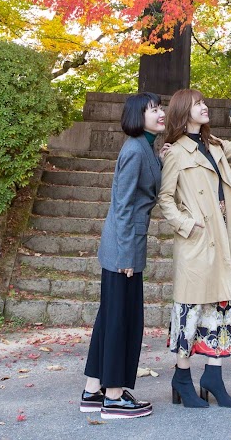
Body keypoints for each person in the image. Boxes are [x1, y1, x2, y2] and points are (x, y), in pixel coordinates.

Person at [154, 88, 231, 408]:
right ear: (184, 112)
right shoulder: (174, 153)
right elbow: (165, 198)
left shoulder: (214, 144)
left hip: (222, 236)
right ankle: (182, 378)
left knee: (220, 307)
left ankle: (214, 376)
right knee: (190, 310)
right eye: (198, 104)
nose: (205, 107)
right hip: (196, 241)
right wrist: (186, 224)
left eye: (204, 103)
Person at [80, 92, 167, 420]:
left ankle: (93, 390)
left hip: (123, 247)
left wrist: (161, 157)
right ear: (137, 116)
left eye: (159, 108)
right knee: (121, 321)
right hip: (124, 249)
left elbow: (146, 186)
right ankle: (114, 397)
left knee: (110, 318)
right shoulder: (134, 150)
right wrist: (128, 255)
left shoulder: (145, 148)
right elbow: (124, 205)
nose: (161, 113)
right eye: (153, 109)